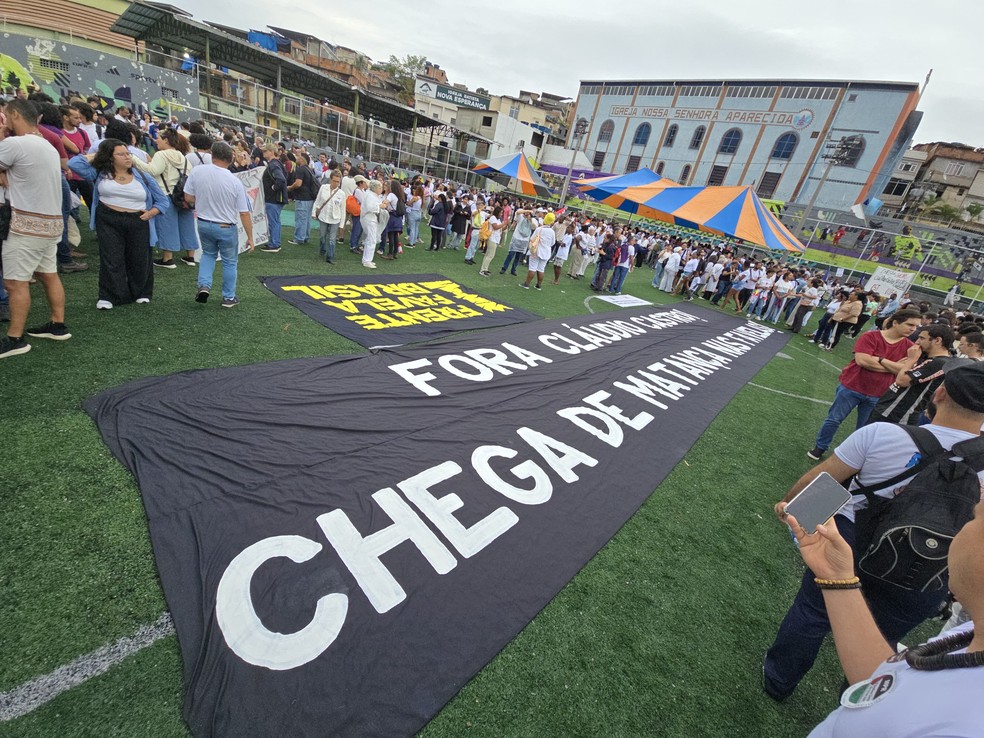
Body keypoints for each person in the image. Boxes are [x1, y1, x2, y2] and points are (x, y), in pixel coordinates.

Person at [766, 363, 984, 707]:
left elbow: (824, 479)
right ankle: (855, 704)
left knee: (812, 613)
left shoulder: (884, 434)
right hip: (929, 565)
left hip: (852, 543)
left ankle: (778, 680)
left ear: (938, 394)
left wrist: (789, 505)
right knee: (883, 636)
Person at [0, 99, 73, 358]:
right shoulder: (47, 146)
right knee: (48, 275)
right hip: (50, 224)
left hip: (25, 225)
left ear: (16, 115)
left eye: (6, 116)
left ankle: (15, 339)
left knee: (15, 283)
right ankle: (57, 324)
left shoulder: (14, 144)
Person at [807, 309, 923, 460]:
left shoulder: (910, 347)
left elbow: (904, 370)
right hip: (852, 386)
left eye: (916, 326)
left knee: (865, 429)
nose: (913, 329)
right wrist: (893, 366)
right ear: (895, 322)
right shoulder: (870, 336)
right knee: (834, 419)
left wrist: (879, 359)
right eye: (910, 324)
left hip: (879, 393)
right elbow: (862, 361)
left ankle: (850, 457)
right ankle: (820, 447)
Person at [68, 139, 169, 310]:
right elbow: (74, 163)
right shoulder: (100, 173)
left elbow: (162, 201)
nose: (127, 157)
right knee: (111, 257)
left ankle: (141, 293)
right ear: (109, 157)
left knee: (139, 258)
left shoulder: (142, 175)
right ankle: (109, 295)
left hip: (138, 220)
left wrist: (151, 213)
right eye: (120, 154)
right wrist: (96, 155)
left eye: (128, 153)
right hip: (108, 219)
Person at [184, 142, 253, 308]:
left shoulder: (197, 171)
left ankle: (204, 286)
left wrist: (202, 200)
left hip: (203, 223)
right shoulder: (234, 181)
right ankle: (228, 297)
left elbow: (188, 197)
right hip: (225, 226)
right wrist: (250, 237)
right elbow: (244, 212)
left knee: (208, 255)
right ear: (230, 158)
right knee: (230, 262)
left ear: (212, 154)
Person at [131, 128, 196, 268]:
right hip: (183, 196)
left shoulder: (161, 155)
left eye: (159, 137)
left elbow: (153, 171)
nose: (156, 140)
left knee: (168, 226)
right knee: (187, 225)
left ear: (166, 140)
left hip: (166, 194)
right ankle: (190, 256)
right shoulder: (182, 156)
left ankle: (168, 259)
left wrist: (134, 160)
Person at [870, 323, 956, 425]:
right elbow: (901, 370)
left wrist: (910, 360)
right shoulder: (926, 358)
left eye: (922, 338)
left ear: (937, 341)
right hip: (888, 408)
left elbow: (902, 381)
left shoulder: (938, 363)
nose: (917, 342)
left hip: (897, 414)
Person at [260, 143, 288, 252]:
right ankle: (274, 242)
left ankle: (274, 244)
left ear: (271, 152)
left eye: (265, 151)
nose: (263, 153)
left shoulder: (273, 164)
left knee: (273, 221)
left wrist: (273, 188)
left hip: (274, 198)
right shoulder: (276, 163)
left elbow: (281, 179)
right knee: (275, 221)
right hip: (276, 198)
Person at [313, 169, 345, 264]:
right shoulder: (323, 188)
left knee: (332, 239)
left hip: (335, 219)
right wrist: (314, 213)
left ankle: (330, 256)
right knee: (322, 236)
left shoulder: (341, 194)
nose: (336, 183)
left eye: (338, 182)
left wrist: (341, 225)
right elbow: (317, 201)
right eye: (334, 181)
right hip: (323, 217)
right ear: (330, 179)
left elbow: (343, 210)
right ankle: (322, 249)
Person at [521, 214, 556, 290]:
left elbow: (532, 239)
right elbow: (553, 243)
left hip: (536, 251)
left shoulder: (539, 229)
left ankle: (527, 284)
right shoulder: (552, 232)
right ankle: (538, 285)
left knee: (532, 268)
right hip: (546, 252)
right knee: (541, 269)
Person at [359, 180, 384, 268]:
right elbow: (370, 207)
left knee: (370, 239)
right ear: (374, 188)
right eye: (379, 187)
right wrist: (380, 206)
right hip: (369, 219)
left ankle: (367, 259)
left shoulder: (372, 195)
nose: (381, 189)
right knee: (371, 240)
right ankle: (367, 260)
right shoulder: (370, 195)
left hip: (372, 219)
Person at [478, 206, 506, 276]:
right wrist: (503, 224)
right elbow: (495, 227)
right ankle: (483, 270)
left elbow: (500, 229)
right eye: (501, 212)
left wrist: (505, 225)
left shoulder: (498, 219)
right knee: (490, 255)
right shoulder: (493, 218)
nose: (501, 214)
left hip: (495, 239)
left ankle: (485, 268)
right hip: (492, 238)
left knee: (488, 255)